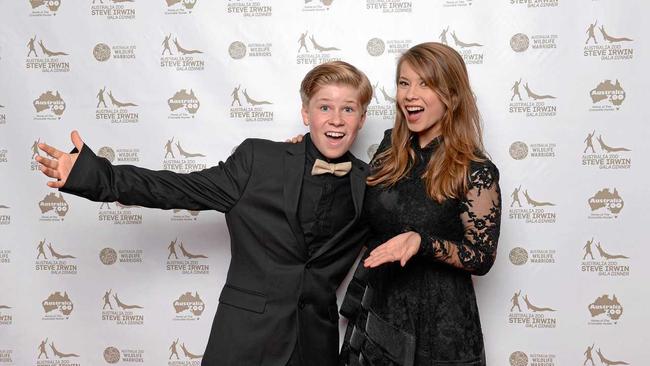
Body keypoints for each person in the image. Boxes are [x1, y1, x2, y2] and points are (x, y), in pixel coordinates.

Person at [35, 61, 374, 366]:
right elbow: (179, 188)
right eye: (325, 107)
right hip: (245, 340)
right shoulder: (260, 160)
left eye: (348, 109)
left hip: (316, 347)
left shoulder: (371, 184)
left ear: (362, 118)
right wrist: (95, 175)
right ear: (305, 113)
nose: (336, 119)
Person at [339, 42, 501, 366]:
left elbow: (482, 257)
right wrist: (307, 152)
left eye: (425, 84)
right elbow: (362, 209)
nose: (410, 94)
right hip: (381, 310)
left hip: (440, 326)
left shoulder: (476, 170)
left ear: (452, 96)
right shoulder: (389, 149)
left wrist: (421, 242)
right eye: (404, 83)